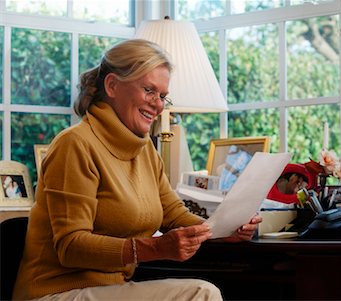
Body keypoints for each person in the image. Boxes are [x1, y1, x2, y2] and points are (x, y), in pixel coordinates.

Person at [13, 39, 262, 301]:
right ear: (112, 85)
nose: (158, 104)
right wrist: (154, 247)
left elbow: (174, 214)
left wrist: (223, 231)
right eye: (149, 90)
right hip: (55, 292)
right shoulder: (75, 144)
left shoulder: (145, 151)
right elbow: (71, 246)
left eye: (163, 96)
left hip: (112, 289)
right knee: (202, 294)